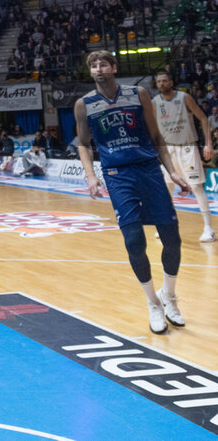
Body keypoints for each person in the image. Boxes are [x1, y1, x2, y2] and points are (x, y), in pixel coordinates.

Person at [74, 52, 191, 334]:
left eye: (103, 64)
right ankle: (152, 302)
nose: (99, 69)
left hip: (149, 169)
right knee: (134, 240)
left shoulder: (138, 94)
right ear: (90, 72)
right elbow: (84, 144)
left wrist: (173, 171)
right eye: (93, 66)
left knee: (172, 239)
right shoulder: (84, 104)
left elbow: (156, 137)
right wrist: (91, 177)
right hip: (117, 175)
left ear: (114, 68)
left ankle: (169, 296)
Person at [152, 70, 215, 242]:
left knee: (196, 187)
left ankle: (209, 228)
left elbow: (203, 119)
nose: (162, 84)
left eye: (165, 80)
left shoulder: (184, 98)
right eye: (159, 82)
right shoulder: (154, 103)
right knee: (167, 189)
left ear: (171, 82)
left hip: (187, 147)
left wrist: (208, 143)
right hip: (168, 151)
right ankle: (168, 227)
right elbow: (153, 129)